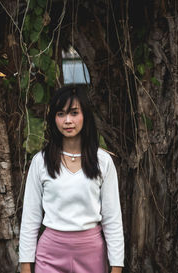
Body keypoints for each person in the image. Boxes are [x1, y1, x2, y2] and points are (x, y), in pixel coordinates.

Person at [19, 85, 124, 273]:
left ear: (85, 116)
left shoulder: (103, 161)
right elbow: (30, 219)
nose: (68, 120)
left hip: (92, 254)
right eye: (61, 114)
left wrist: (116, 267)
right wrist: (26, 267)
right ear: (54, 119)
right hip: (50, 255)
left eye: (74, 113)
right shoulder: (40, 162)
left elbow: (112, 220)